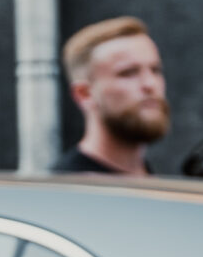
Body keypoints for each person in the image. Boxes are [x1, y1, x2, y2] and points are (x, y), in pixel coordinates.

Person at [58, 15, 169, 173]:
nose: (150, 84)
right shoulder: (67, 186)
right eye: (128, 73)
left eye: (155, 70)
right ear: (84, 94)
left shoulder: (159, 181)